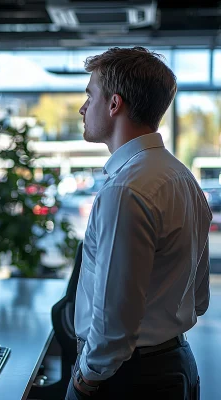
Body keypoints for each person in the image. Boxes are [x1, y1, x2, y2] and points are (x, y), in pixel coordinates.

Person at [66, 47, 211, 400]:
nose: (84, 108)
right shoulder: (181, 177)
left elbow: (114, 322)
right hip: (174, 364)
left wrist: (85, 380)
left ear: (114, 104)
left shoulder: (126, 189)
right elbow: (200, 299)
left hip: (129, 377)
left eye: (90, 95)